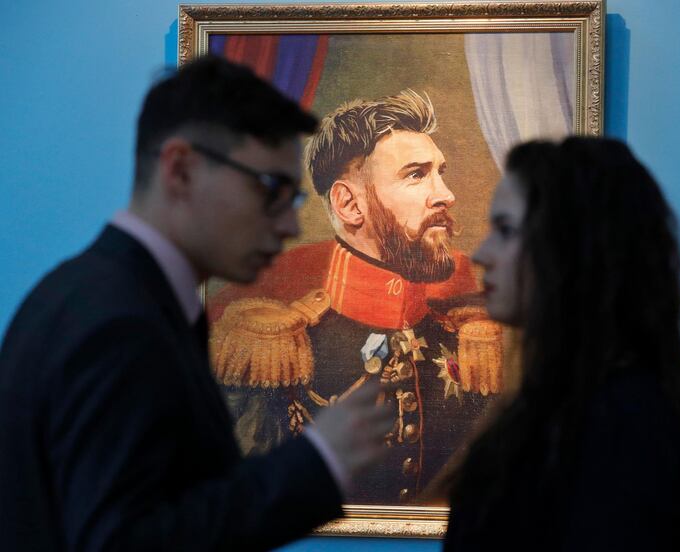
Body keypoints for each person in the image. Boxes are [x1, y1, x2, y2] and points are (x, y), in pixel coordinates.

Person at [0, 56, 395, 551]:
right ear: (181, 169)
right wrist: (316, 461)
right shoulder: (116, 321)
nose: (291, 227)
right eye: (271, 189)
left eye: (292, 199)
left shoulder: (103, 295)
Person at [208, 90, 503, 504]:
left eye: (441, 172)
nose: (446, 194)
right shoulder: (273, 351)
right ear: (349, 204)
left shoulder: (473, 341)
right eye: (416, 175)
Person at [443, 137, 680, 551]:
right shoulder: (552, 406)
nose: (481, 253)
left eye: (506, 230)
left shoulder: (623, 420)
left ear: (572, 246)